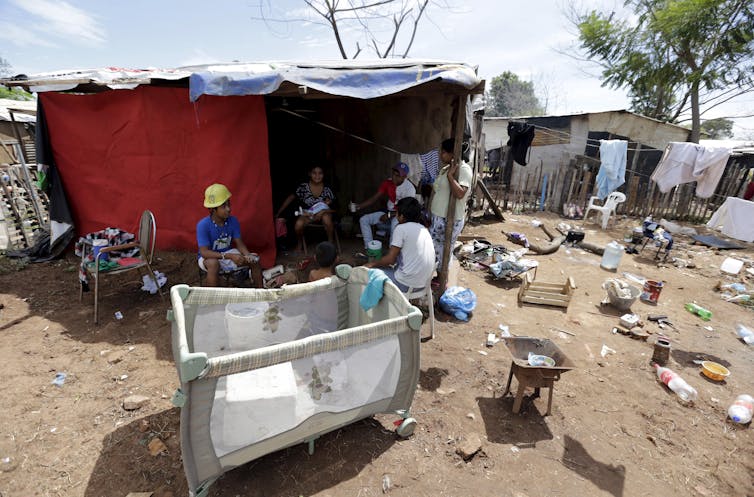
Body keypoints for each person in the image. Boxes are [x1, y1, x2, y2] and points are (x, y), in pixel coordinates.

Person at [197, 183, 263, 287]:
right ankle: (212, 300)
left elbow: (239, 243)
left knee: (255, 260)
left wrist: (248, 255)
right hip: (209, 258)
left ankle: (261, 293)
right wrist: (230, 256)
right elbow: (204, 252)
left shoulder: (233, 221)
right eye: (224, 206)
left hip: (228, 254)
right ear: (213, 209)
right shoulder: (203, 225)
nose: (228, 209)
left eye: (229, 204)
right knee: (213, 264)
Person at [364, 197, 435, 292]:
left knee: (368, 275)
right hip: (423, 284)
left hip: (406, 285)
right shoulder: (423, 229)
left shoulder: (401, 229)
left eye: (397, 213)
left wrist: (371, 264)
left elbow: (390, 260)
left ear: (401, 216)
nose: (396, 216)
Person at [429, 138, 473, 275]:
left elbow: (460, 193)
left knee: (444, 251)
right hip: (438, 217)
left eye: (443, 152)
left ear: (452, 154)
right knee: (436, 250)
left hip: (448, 219)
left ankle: (443, 278)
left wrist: (450, 177)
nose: (440, 155)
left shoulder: (463, 170)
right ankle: (438, 276)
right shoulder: (446, 168)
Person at [354, 162, 416, 249]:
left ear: (404, 177)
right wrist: (359, 206)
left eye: (398, 176)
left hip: (401, 215)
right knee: (364, 220)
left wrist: (389, 215)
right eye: (394, 174)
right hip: (388, 211)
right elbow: (374, 198)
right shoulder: (388, 182)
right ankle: (370, 248)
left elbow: (406, 210)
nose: (394, 177)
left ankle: (392, 253)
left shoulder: (409, 189)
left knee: (395, 224)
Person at [275, 165, 336, 253]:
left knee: (326, 218)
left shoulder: (328, 188)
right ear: (309, 174)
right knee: (298, 224)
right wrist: (279, 212)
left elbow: (336, 209)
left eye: (320, 173)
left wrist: (323, 211)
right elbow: (290, 198)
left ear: (323, 174)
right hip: (308, 214)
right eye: (314, 173)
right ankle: (300, 243)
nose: (317, 176)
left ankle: (331, 243)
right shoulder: (303, 187)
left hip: (324, 215)